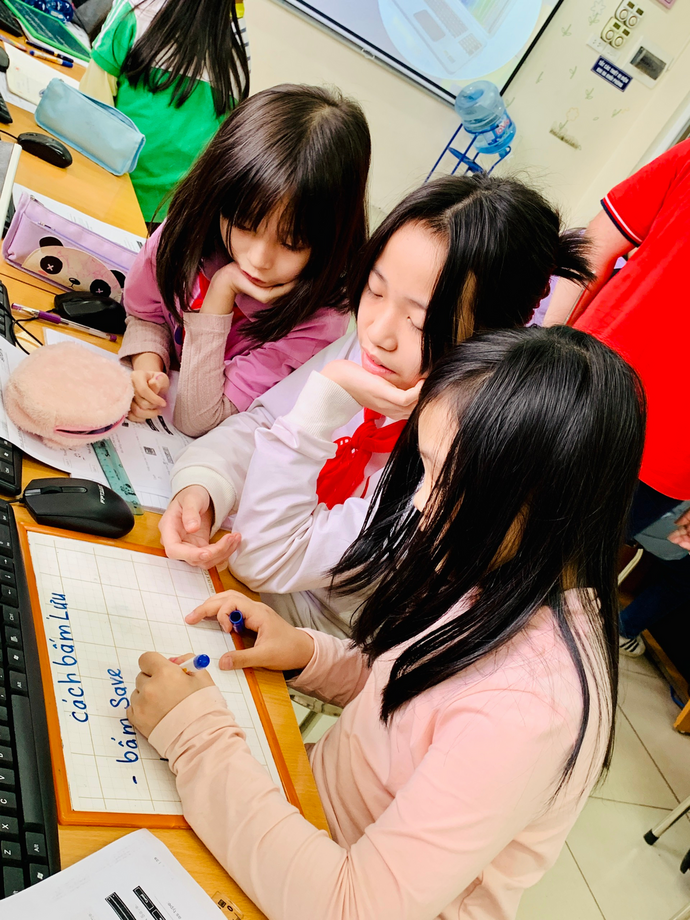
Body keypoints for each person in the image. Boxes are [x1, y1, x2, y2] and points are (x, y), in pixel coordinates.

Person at [127, 326, 645, 920]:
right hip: (305, 819)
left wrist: (196, 737)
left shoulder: (531, 708)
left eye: (444, 480)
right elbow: (409, 688)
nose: (418, 505)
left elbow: (352, 907)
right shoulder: (499, 570)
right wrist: (305, 653)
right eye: (424, 469)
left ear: (542, 502)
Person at [158, 174, 593, 636]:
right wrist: (205, 487)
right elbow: (264, 423)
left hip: (318, 634)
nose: (378, 332)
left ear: (492, 336)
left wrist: (325, 401)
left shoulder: (459, 453)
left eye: (419, 321)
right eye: (375, 289)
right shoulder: (376, 353)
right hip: (258, 582)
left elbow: (265, 560)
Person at [119, 84, 371, 437]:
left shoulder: (317, 322)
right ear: (218, 196)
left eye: (291, 243)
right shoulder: (193, 232)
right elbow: (146, 313)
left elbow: (199, 419)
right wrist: (149, 368)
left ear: (331, 241)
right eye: (244, 225)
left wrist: (222, 289)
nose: (258, 259)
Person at [543, 139, 690, 656]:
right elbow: (597, 244)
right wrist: (542, 346)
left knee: (555, 581)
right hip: (586, 386)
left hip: (665, 459)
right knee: (485, 524)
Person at [79, 0, 250, 224]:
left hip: (102, 196)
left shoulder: (135, 10)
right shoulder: (239, 50)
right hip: (172, 221)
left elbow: (88, 110)